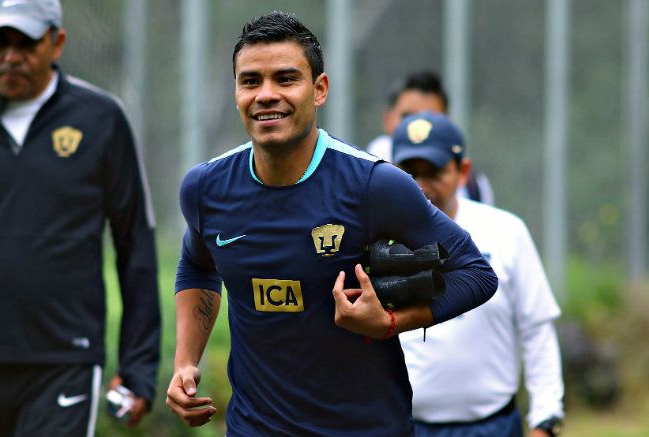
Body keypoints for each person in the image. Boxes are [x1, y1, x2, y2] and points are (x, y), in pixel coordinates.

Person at [165, 11, 497, 436]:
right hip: (255, 426)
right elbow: (197, 265)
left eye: (286, 79)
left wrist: (391, 322)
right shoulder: (204, 188)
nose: (266, 94)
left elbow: (476, 274)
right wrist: (185, 362)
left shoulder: (375, 185)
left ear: (319, 90)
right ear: (236, 91)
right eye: (251, 81)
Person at [0, 0, 161, 435]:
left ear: (56, 42)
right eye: (1, 42)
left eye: (27, 43)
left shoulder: (101, 119)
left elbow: (134, 241)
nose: (11, 56)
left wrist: (139, 367)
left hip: (66, 359)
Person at [391, 112, 565, 437]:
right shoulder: (378, 237)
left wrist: (545, 419)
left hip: (493, 427)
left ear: (462, 171)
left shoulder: (505, 231)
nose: (421, 185)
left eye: (434, 172)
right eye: (409, 171)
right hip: (407, 426)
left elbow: (536, 330)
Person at [367, 70, 495, 205]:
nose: (419, 125)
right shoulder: (362, 176)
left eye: (435, 174)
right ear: (387, 119)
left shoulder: (473, 186)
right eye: (408, 116)